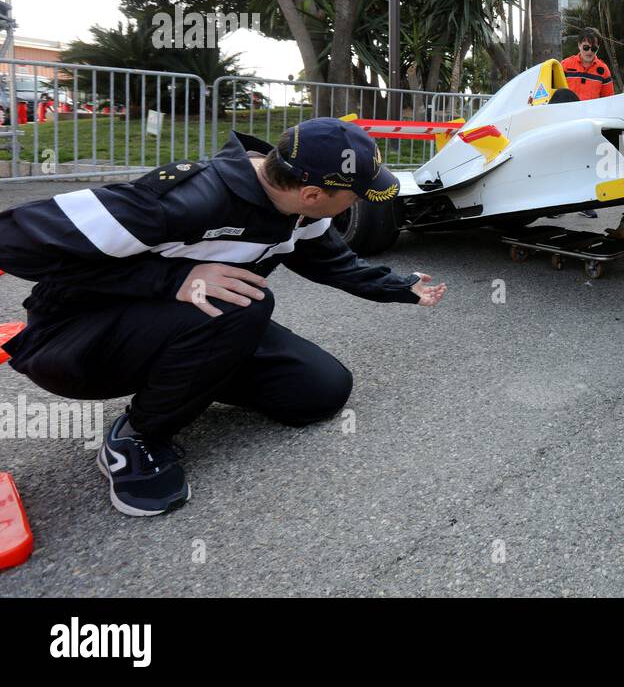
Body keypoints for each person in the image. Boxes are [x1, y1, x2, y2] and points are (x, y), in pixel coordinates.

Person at [0, 119, 447, 516]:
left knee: (320, 392)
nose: (356, 204)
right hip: (76, 339)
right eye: (355, 195)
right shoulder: (184, 198)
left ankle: (189, 376)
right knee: (245, 303)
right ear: (313, 193)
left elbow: (331, 263)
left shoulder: (298, 209)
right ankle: (138, 435)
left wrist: (399, 287)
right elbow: (12, 240)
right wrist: (173, 278)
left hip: (194, 324)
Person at [561, 29, 615, 102]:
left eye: (594, 48)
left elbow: (609, 99)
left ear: (598, 48)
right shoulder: (565, 65)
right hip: (569, 111)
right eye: (586, 47)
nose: (589, 52)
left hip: (592, 112)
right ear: (579, 45)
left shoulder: (603, 69)